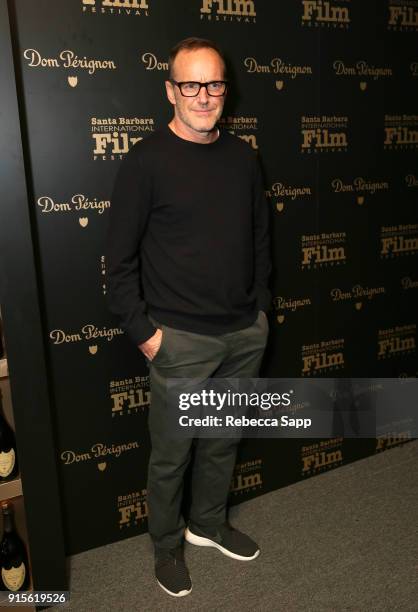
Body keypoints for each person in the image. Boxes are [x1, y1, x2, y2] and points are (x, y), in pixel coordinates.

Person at [105, 37, 271, 598]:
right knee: (171, 457)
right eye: (191, 85)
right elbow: (118, 261)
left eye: (215, 84)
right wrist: (147, 336)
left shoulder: (244, 157)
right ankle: (167, 547)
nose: (204, 96)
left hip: (243, 334)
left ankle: (208, 523)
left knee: (223, 442)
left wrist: (261, 309)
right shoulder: (145, 161)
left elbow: (259, 238)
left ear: (226, 89)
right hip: (179, 341)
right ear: (170, 90)